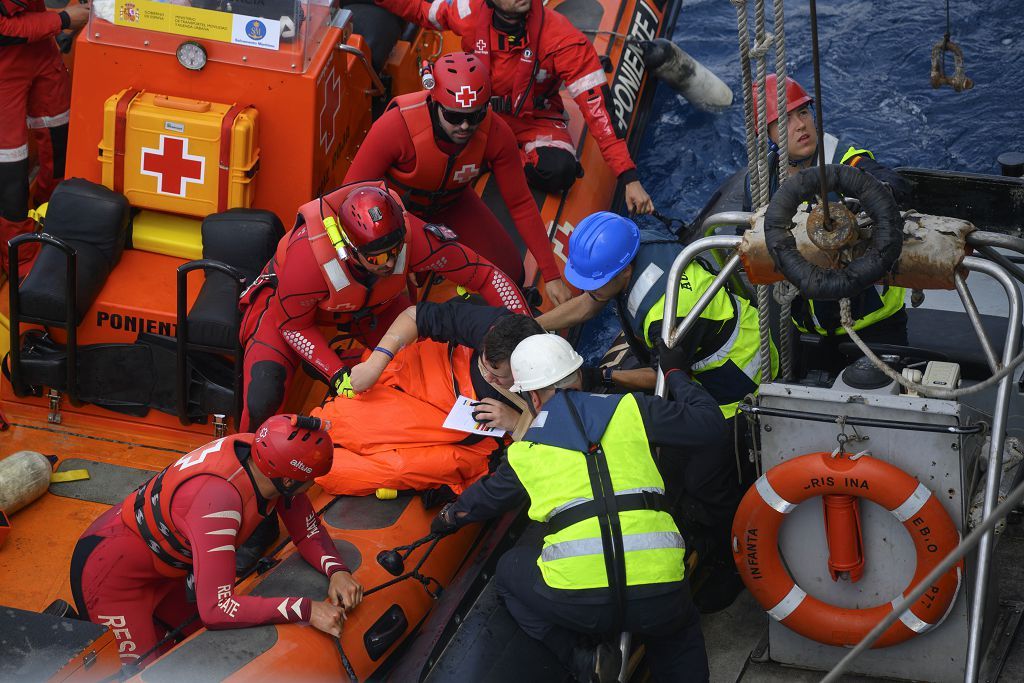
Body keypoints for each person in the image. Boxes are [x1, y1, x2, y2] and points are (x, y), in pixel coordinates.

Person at [430, 333, 720, 682]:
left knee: (508, 572)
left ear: (532, 396)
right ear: (579, 377)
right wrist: (674, 373)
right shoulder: (632, 408)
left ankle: (583, 659)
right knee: (678, 630)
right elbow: (711, 425)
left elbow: (481, 502)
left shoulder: (525, 451)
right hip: (658, 591)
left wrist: (447, 519)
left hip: (579, 603)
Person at [69, 414, 363, 666]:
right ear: (288, 480)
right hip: (110, 578)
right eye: (312, 479)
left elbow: (306, 530)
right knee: (145, 673)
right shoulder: (218, 502)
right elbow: (218, 609)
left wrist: (337, 571)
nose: (314, 485)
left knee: (205, 653)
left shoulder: (267, 457)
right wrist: (306, 609)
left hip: (165, 570)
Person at [238, 180, 530, 432]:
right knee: (262, 397)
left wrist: (527, 335)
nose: (390, 263)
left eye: (395, 251)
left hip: (372, 306)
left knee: (421, 374)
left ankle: (353, 358)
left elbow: (484, 274)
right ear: (348, 249)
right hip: (287, 312)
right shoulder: (307, 262)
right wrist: (337, 374)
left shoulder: (413, 236)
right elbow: (292, 326)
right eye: (377, 258)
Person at [375, 0, 653, 212]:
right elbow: (424, 11)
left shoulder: (562, 39)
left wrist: (628, 176)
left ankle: (497, 159)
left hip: (535, 119)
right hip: (475, 117)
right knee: (423, 166)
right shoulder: (466, 12)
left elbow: (599, 110)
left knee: (560, 170)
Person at [345, 52, 572, 304]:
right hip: (396, 216)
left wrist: (551, 275)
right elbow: (348, 195)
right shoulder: (395, 127)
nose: (465, 126)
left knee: (511, 273)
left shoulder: (496, 132)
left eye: (474, 116)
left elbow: (520, 203)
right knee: (392, 296)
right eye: (454, 116)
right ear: (434, 103)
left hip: (452, 203)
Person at [745, 74, 911, 351]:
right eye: (785, 120)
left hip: (875, 324)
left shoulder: (845, 159)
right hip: (807, 327)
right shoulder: (763, 180)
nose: (801, 125)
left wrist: (876, 194)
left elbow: (895, 184)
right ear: (766, 134)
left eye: (803, 112)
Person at [314, 302, 543, 496]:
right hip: (434, 373)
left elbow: (555, 444)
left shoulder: (547, 385)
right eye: (486, 366)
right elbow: (414, 315)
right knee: (350, 414)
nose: (490, 377)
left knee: (403, 467)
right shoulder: (490, 326)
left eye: (498, 375)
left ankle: (319, 466)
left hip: (469, 428)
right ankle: (307, 450)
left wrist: (515, 422)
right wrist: (375, 363)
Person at [0, 0, 89, 275]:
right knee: (10, 173)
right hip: (4, 71)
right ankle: (23, 262)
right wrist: (62, 19)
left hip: (41, 53)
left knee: (60, 145)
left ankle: (54, 224)